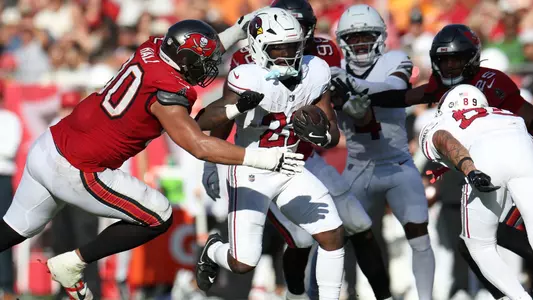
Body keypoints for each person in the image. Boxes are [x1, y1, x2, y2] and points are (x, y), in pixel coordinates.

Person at [0, 18, 306, 300]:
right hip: (79, 168)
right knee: (158, 215)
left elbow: (194, 55)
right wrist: (266, 159)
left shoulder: (153, 49)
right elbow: (199, 145)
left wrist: (238, 31)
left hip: (49, 145)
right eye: (203, 61)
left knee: (15, 229)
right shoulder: (168, 93)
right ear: (185, 60)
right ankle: (73, 262)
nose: (210, 66)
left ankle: (70, 263)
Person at [202, 1, 391, 299]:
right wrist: (212, 157)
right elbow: (212, 117)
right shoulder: (245, 70)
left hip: (298, 159)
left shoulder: (317, 64)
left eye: (296, 41)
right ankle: (220, 253)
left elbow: (330, 118)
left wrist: (328, 131)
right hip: (254, 164)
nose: (291, 50)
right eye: (281, 46)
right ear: (260, 44)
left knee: (342, 230)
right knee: (259, 255)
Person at [362, 23, 533, 299]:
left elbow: (527, 115)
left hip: (497, 163)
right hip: (485, 164)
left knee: (487, 239)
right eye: (444, 60)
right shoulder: (440, 85)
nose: (451, 66)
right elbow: (408, 97)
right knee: (475, 243)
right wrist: (367, 97)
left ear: (473, 58)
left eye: (457, 59)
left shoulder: (492, 82)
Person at [328, 4, 435, 300]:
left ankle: (426, 297)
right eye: (354, 37)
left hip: (397, 163)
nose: (360, 43)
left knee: (418, 235)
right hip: (358, 166)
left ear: (380, 37)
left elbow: (394, 89)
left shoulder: (394, 59)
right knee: (338, 236)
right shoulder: (336, 71)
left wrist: (352, 85)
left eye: (366, 36)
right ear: (342, 41)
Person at [419, 83, 533, 300]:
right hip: (525, 149)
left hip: (483, 160)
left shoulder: (442, 121)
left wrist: (470, 170)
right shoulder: (503, 113)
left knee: (478, 245)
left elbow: (444, 138)